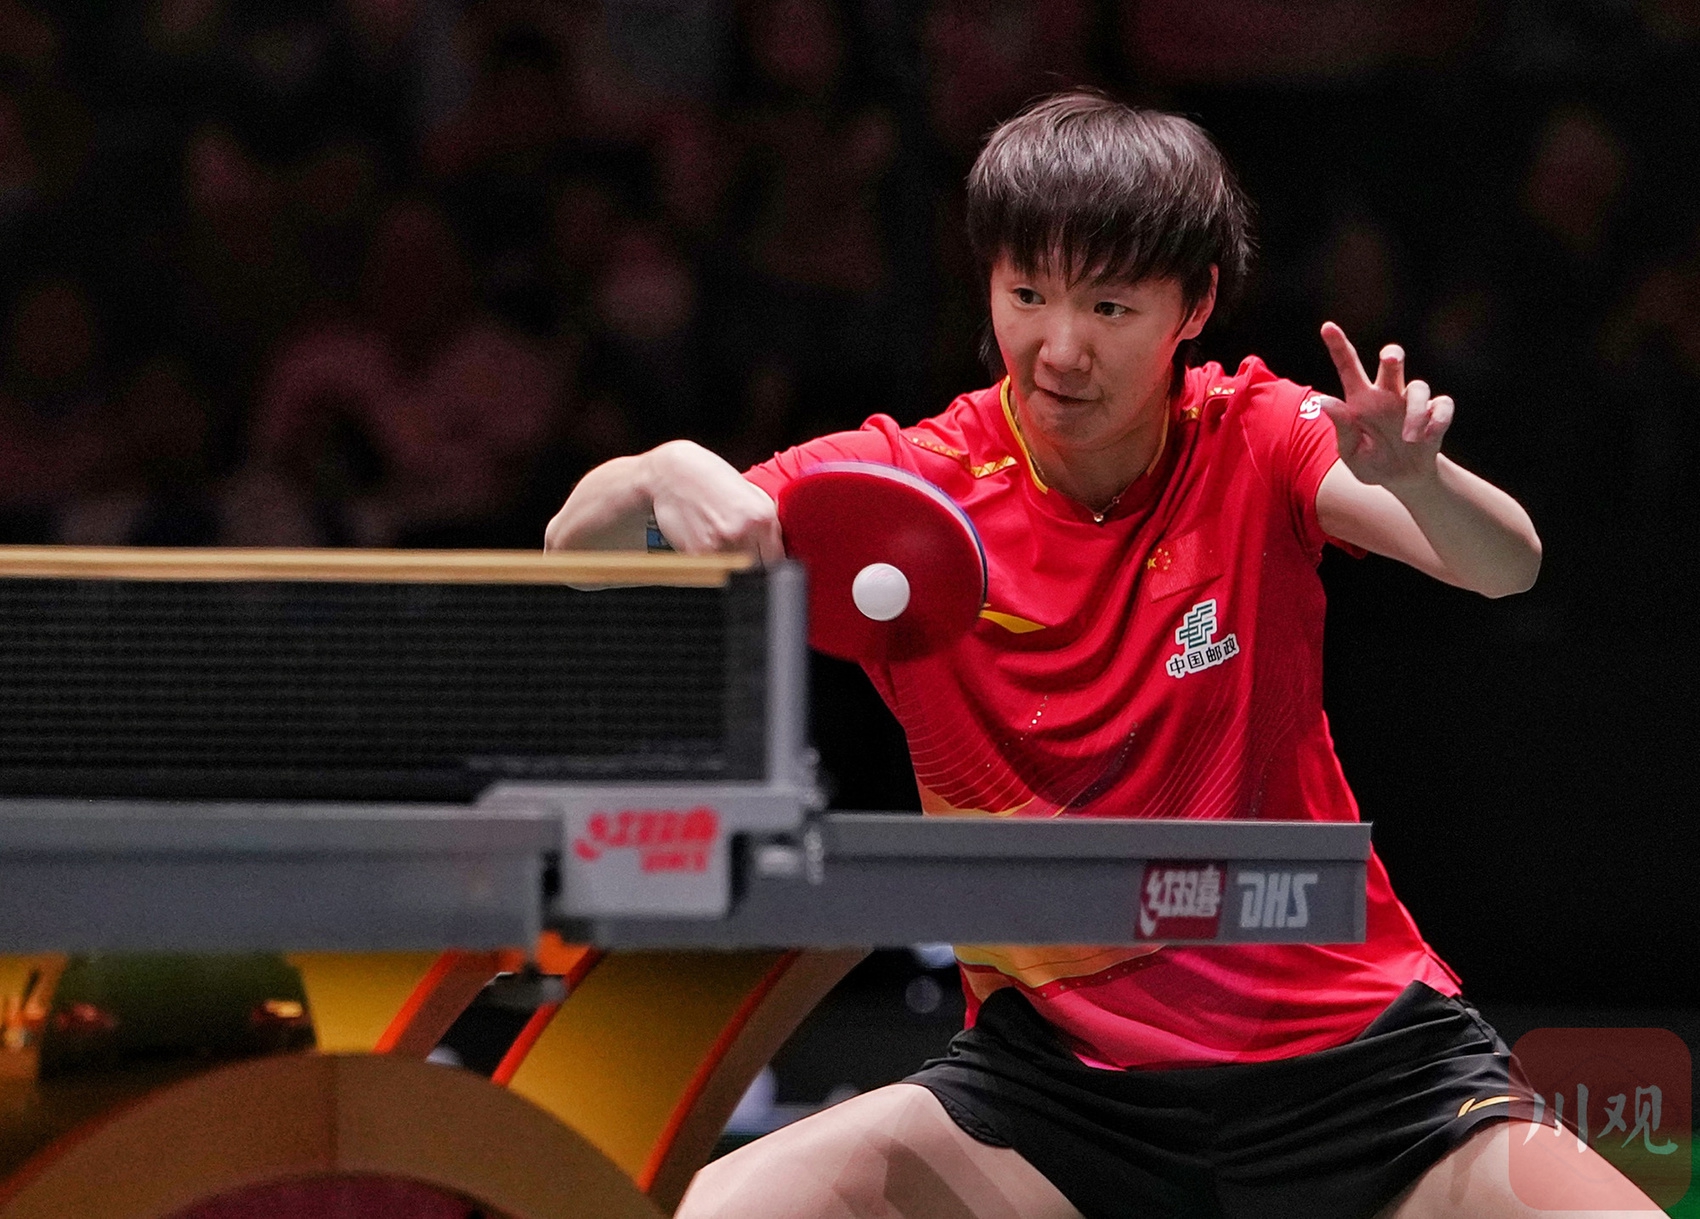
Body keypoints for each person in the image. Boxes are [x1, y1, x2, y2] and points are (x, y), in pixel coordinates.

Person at [546, 94, 1652, 1219]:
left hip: (1361, 1064)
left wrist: (1422, 480)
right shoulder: (907, 493)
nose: (1059, 349)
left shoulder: (1254, 434)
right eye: (1026, 294)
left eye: (1109, 305)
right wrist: (657, 473)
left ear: (1194, 304)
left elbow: (1504, 565)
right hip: (1057, 1093)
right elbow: (574, 557)